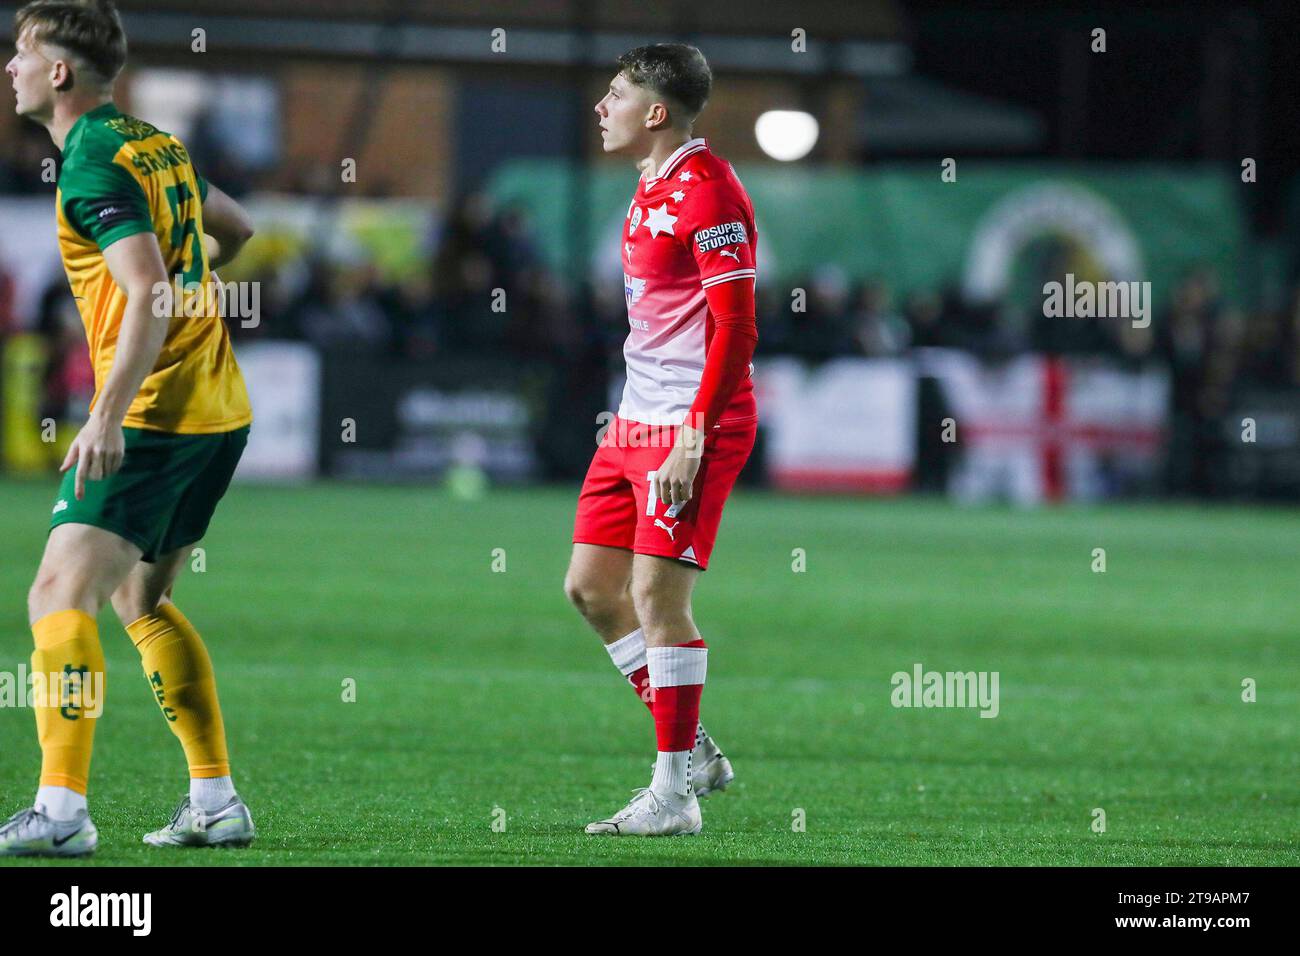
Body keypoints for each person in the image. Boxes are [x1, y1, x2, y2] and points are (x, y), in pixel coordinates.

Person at [1, 0, 256, 856]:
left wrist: (105, 414)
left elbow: (147, 290)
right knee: (139, 598)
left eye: (22, 54)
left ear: (59, 73)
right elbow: (238, 229)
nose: (12, 69)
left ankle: (62, 813)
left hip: (152, 416)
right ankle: (216, 802)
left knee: (54, 594)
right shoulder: (153, 143)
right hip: (221, 410)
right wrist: (193, 285)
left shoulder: (89, 166)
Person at [566, 43, 759, 836]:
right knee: (589, 589)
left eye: (615, 95)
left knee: (655, 597)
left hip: (691, 426)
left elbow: (737, 328)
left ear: (655, 112)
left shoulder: (711, 193)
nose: (601, 108)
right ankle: (698, 753)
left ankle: (673, 797)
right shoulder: (651, 185)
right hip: (632, 419)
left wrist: (694, 434)